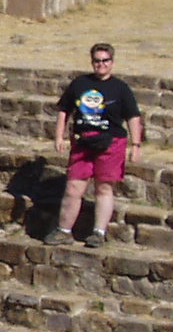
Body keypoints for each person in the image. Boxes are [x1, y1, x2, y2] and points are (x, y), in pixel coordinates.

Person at [49, 42, 144, 248]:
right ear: (92, 62)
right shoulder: (79, 84)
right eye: (97, 61)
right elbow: (64, 110)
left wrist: (136, 145)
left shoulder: (120, 88)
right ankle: (64, 230)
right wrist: (59, 136)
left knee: (104, 187)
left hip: (111, 143)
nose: (101, 64)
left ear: (112, 62)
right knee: (74, 186)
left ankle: (98, 232)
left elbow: (133, 116)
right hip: (83, 142)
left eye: (105, 60)